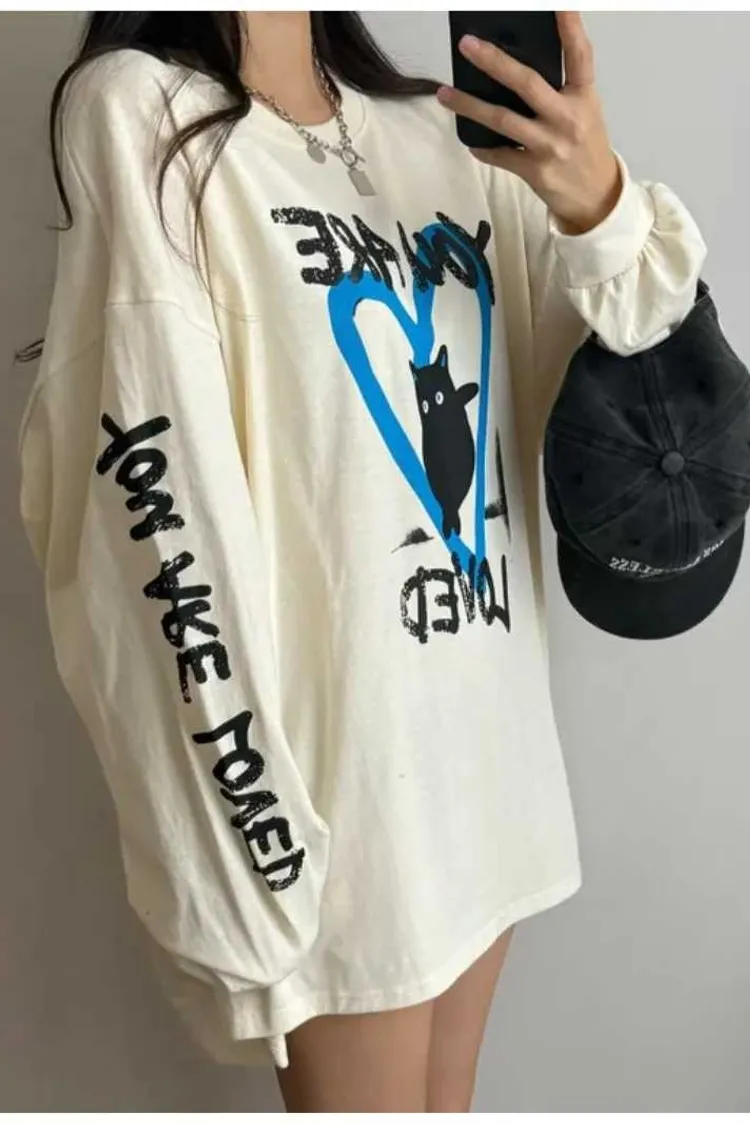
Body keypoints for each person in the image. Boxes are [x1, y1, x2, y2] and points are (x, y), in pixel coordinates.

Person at [17, 10, 705, 1113]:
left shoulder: (434, 131)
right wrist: (261, 853)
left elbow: (604, 381)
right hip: (339, 798)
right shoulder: (146, 116)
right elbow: (153, 513)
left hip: (487, 765)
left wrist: (598, 203)